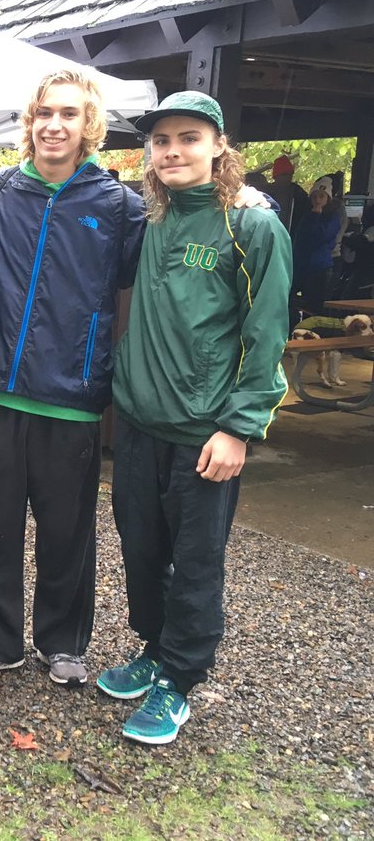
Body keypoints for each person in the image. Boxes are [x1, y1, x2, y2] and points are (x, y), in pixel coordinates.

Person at [101, 90, 291, 745]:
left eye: (188, 137)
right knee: (141, 549)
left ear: (218, 145)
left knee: (196, 559)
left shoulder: (252, 225)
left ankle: (180, 681)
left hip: (205, 434)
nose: (173, 150)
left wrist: (240, 426)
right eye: (162, 141)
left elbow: (267, 333)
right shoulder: (151, 218)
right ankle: (154, 650)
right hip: (140, 424)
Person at [0, 70, 146, 687]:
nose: (53, 125)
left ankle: (63, 641)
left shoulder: (118, 207)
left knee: (68, 530)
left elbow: (174, 239)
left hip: (71, 396)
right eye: (44, 113)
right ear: (30, 122)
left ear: (88, 124)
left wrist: (245, 199)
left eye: (68, 113)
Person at [290, 176, 341, 320]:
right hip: (303, 267)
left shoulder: (333, 218)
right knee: (301, 305)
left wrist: (315, 217)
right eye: (314, 197)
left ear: (328, 198)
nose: (318, 200)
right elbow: (300, 240)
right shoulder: (306, 216)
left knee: (317, 309)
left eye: (321, 196)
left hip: (320, 269)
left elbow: (319, 237)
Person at [269, 154, 310, 237]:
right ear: (276, 176)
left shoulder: (298, 192)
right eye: (284, 174)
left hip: (293, 235)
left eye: (290, 174)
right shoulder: (267, 192)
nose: (289, 177)